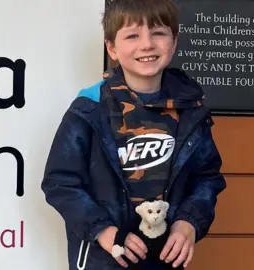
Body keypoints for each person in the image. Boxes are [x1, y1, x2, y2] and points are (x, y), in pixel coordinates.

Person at [41, 0, 226, 269]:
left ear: (174, 42)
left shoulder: (191, 110)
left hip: (165, 260)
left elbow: (206, 178)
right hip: (104, 258)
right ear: (112, 48)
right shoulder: (89, 108)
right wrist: (103, 231)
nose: (147, 44)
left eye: (158, 33)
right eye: (132, 35)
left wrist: (189, 222)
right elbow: (60, 183)